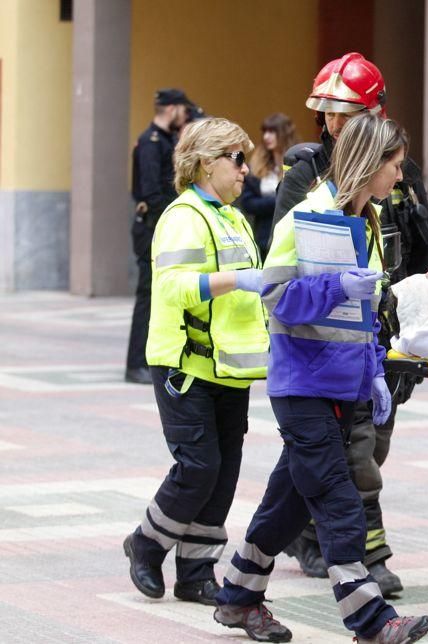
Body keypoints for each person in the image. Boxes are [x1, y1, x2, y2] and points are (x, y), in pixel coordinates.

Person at [213, 114, 428, 644]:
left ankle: (239, 599)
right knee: (339, 500)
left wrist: (375, 372)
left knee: (286, 505)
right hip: (303, 387)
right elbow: (276, 298)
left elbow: (365, 315)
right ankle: (372, 622)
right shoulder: (306, 218)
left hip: (343, 385)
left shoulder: (370, 220)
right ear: (368, 164)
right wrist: (338, 290)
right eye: (395, 167)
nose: (400, 179)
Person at [273, 52, 428, 597]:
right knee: (352, 449)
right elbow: (283, 270)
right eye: (328, 114)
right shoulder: (307, 175)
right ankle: (366, 555)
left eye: (347, 114)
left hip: (381, 335)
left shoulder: (401, 173)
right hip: (324, 343)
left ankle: (301, 535)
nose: (334, 125)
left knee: (365, 443)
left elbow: (422, 251)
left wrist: (424, 316)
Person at [122, 118, 269, 608]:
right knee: (199, 466)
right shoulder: (184, 216)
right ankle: (146, 543)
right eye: (237, 158)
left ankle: (197, 571)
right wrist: (237, 280)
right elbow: (174, 287)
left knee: (224, 471)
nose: (246, 169)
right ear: (207, 163)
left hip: (229, 366)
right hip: (185, 364)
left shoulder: (233, 216)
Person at [125, 88, 193, 384]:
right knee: (148, 296)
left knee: (158, 297)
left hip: (157, 225)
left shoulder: (166, 140)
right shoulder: (152, 142)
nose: (185, 115)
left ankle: (151, 360)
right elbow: (152, 192)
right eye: (182, 109)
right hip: (151, 227)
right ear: (171, 109)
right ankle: (136, 363)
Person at [241, 113, 297, 258]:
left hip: (292, 233)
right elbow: (248, 203)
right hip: (264, 235)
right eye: (265, 132)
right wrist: (279, 200)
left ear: (284, 133)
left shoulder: (298, 163)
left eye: (272, 131)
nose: (266, 136)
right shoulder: (255, 166)